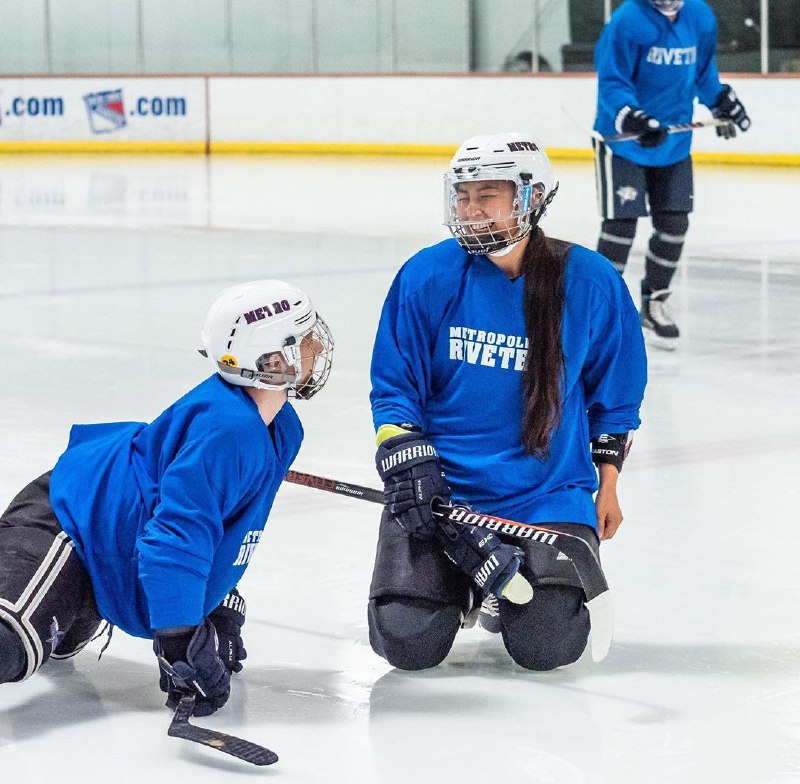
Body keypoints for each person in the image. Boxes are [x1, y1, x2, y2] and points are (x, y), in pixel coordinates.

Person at [367, 132, 647, 672]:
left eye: (487, 195)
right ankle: (464, 584)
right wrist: (410, 467)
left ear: (532, 198)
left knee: (549, 645)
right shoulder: (427, 274)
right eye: (464, 195)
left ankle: (502, 584)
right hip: (443, 495)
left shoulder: (589, 280)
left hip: (545, 497)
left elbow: (616, 394)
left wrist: (607, 484)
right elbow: (394, 387)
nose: (471, 210)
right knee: (405, 641)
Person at [0, 280, 334, 716]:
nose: (317, 347)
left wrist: (216, 600)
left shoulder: (281, 426)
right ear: (272, 360)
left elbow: (225, 523)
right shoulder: (228, 430)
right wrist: (179, 637)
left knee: (50, 643)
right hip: (68, 523)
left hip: (110, 552)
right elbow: (175, 535)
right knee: (7, 645)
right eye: (304, 338)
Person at [592, 0, 751, 349]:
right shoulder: (627, 21)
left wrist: (721, 100)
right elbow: (612, 82)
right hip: (624, 142)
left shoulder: (700, 16)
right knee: (620, 227)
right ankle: (597, 312)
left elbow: (704, 74)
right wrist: (634, 117)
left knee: (674, 224)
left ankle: (655, 301)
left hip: (673, 144)